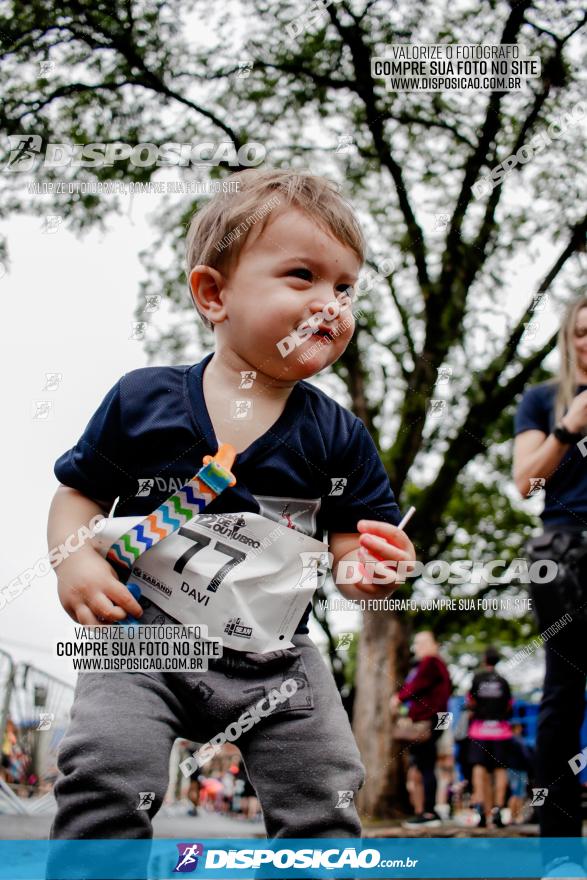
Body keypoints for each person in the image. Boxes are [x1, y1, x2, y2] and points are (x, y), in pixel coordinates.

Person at [46, 169, 417, 859]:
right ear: (213, 293)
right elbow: (78, 495)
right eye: (301, 275)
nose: (329, 303)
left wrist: (366, 569)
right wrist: (74, 559)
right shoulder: (143, 401)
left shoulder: (339, 436)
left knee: (326, 788)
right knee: (107, 768)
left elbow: (348, 548)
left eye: (344, 287)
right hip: (143, 637)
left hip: (277, 655)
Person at [513, 295, 587, 873]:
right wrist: (569, 426)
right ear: (568, 337)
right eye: (582, 332)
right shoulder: (542, 400)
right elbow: (524, 482)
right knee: (563, 692)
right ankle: (558, 851)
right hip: (563, 552)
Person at [391, 630, 452, 827]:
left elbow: (417, 685)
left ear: (434, 644)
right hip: (430, 720)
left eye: (423, 643)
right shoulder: (431, 665)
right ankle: (422, 811)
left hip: (428, 721)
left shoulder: (431, 662)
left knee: (425, 766)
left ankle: (428, 813)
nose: (418, 647)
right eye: (417, 643)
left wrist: (398, 698)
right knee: (419, 767)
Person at [465, 647, 514, 829]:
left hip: (479, 731)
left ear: (485, 659)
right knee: (500, 770)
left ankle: (482, 811)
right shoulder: (503, 681)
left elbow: (470, 702)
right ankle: (498, 810)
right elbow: (509, 706)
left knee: (479, 768)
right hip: (501, 731)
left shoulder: (477, 679)